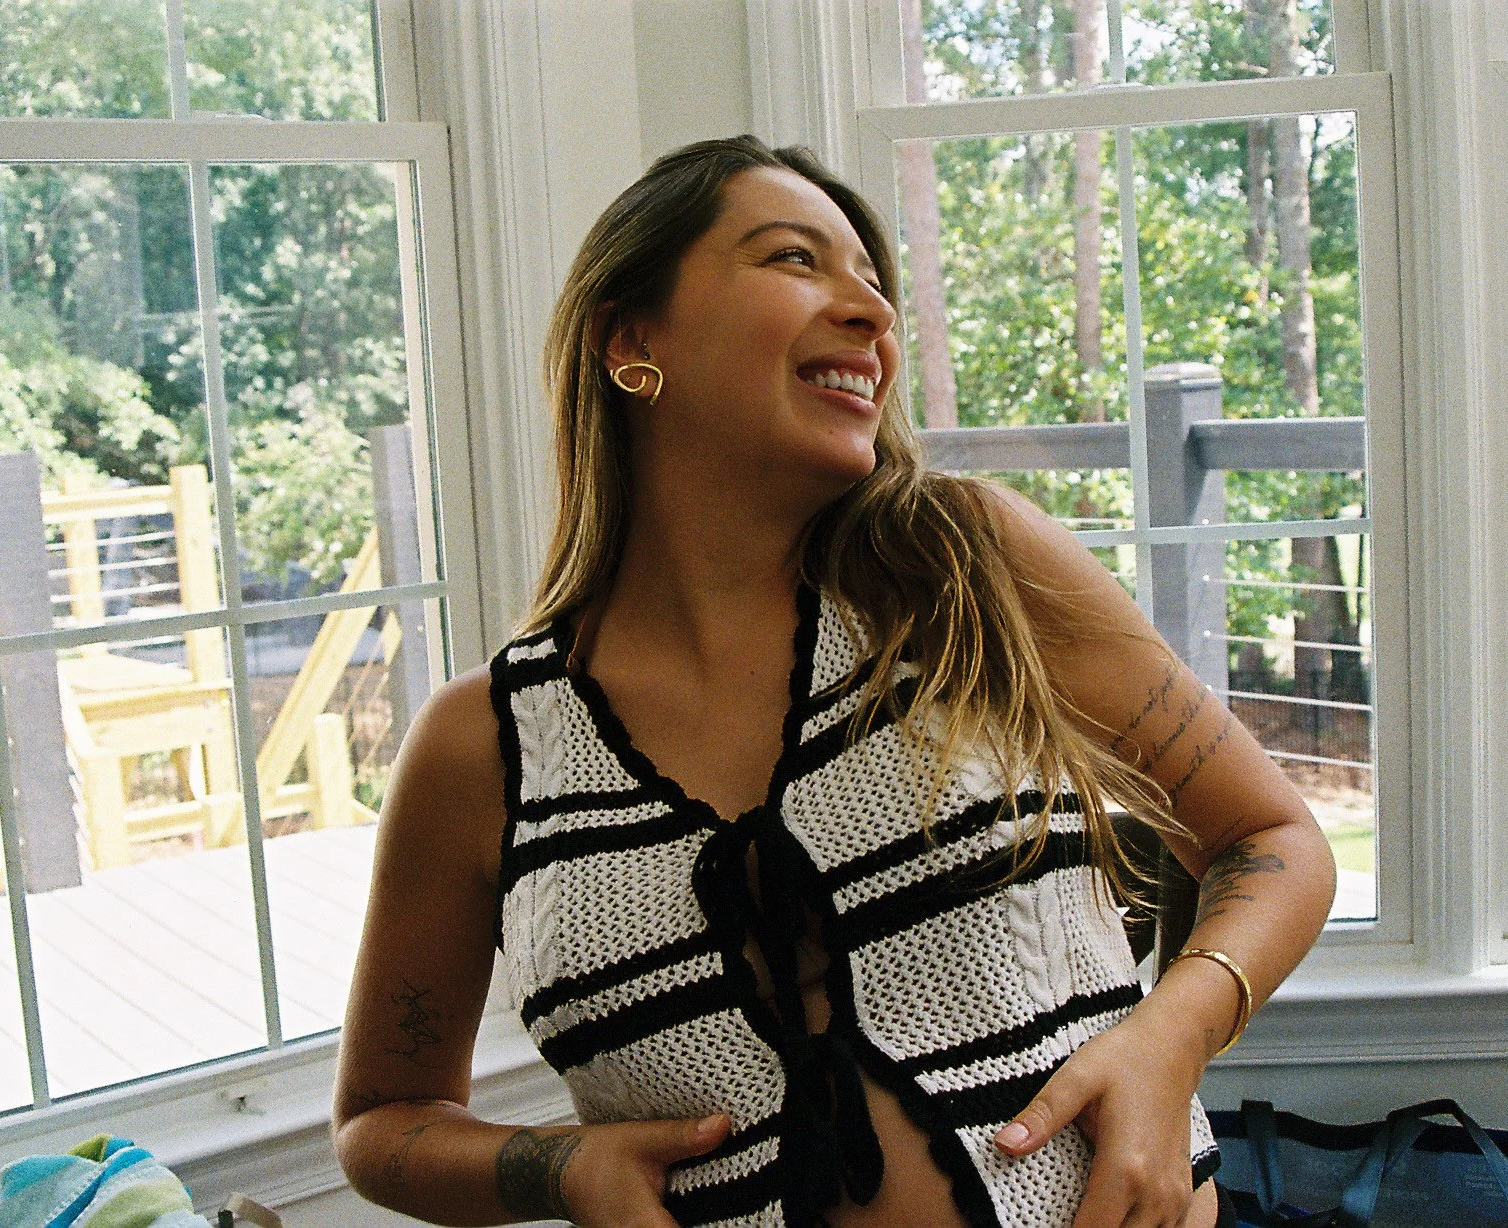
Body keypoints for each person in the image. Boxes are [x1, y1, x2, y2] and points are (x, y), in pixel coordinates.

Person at [331, 135, 1336, 1228]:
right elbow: (383, 1117)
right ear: (632, 341)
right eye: (795, 260)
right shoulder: (481, 748)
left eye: (875, 282)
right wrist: (560, 1167)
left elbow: (1271, 837)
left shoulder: (966, 567)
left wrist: (1169, 1041)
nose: (871, 314)